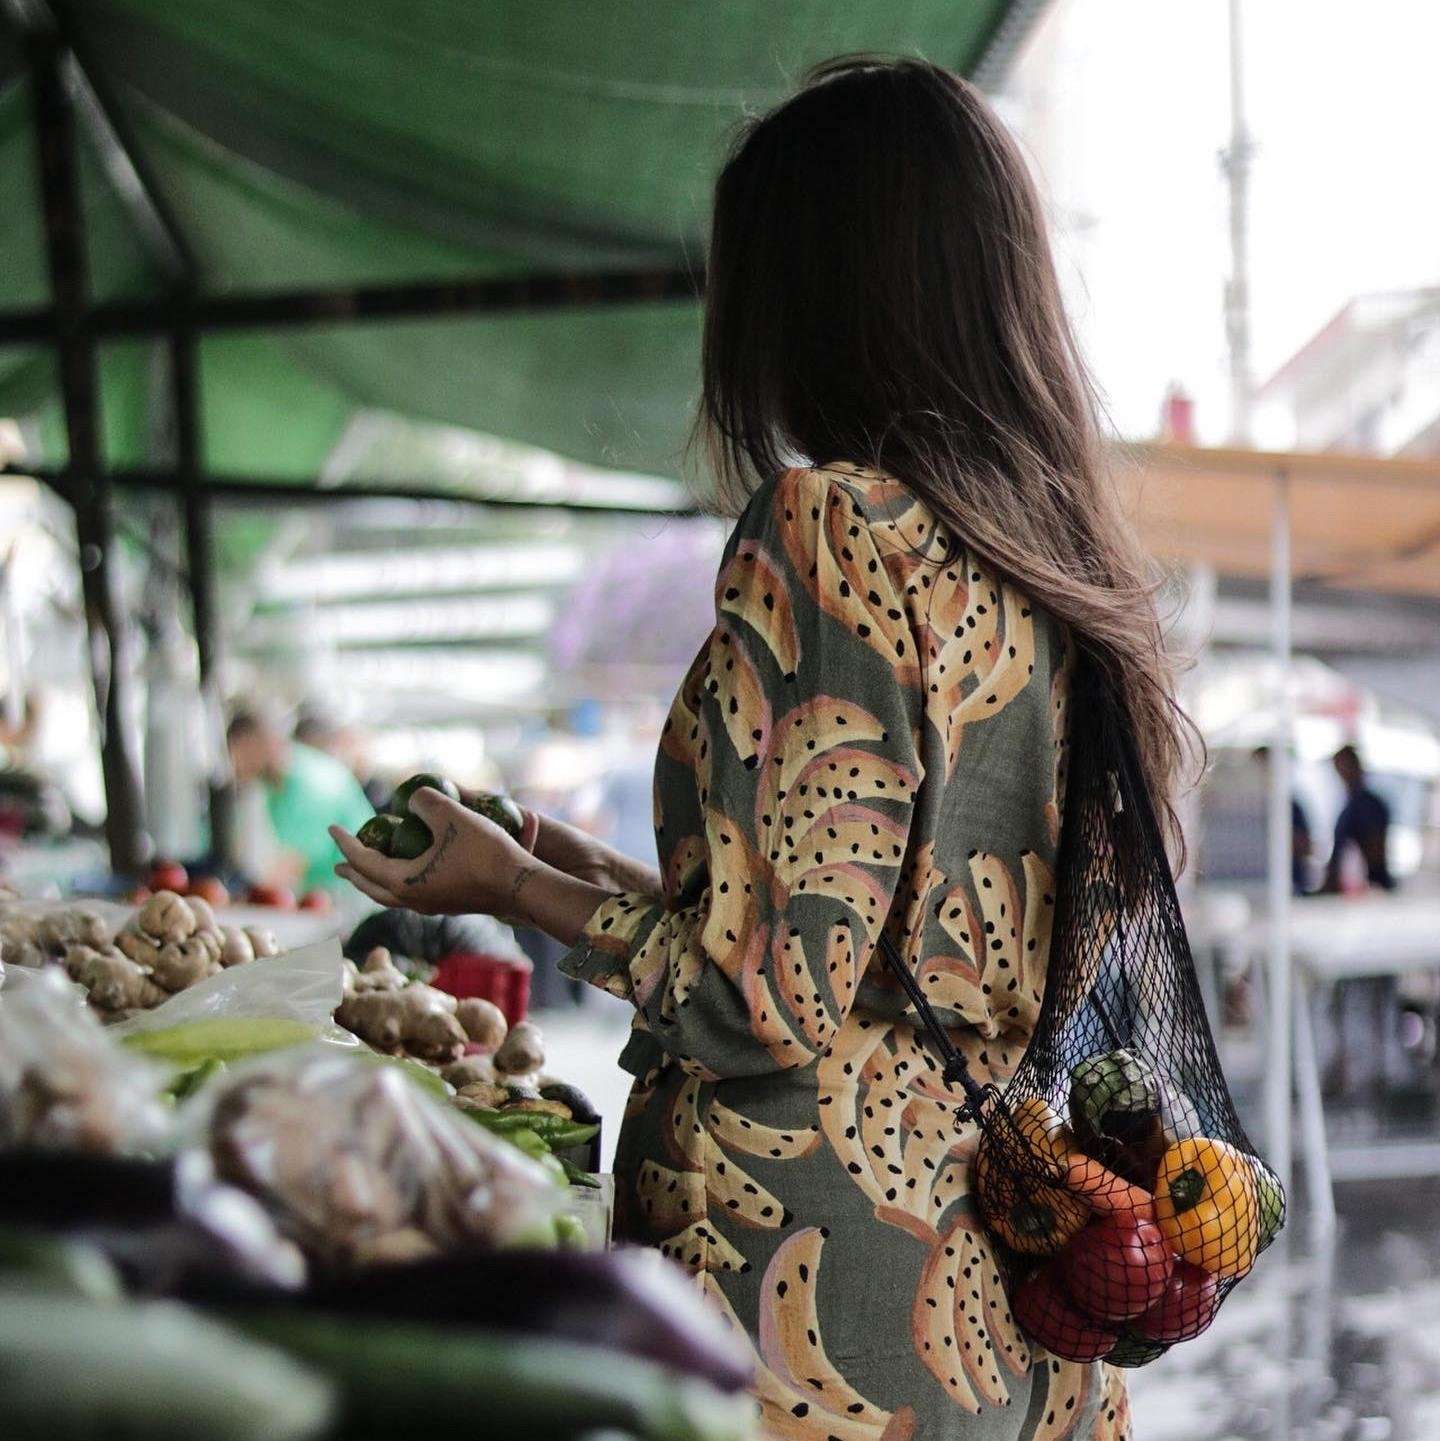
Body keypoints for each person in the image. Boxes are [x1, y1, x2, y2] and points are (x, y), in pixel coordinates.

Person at [333, 58, 1186, 1440]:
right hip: (1003, 1302)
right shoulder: (1054, 566)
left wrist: (512, 892)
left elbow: (762, 996)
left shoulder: (832, 531)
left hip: (815, 1312)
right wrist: (557, 856)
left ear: (814, 288)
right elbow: (868, 942)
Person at [227, 708, 373, 894]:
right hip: (328, 893)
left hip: (353, 895)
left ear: (252, 744)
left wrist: (242, 894)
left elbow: (293, 862)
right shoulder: (276, 785)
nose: (235, 766)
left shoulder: (308, 782)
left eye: (237, 753)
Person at [1320, 743, 1395, 893]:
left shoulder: (1368, 805)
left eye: (1345, 766)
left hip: (1369, 886)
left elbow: (1374, 848)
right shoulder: (1350, 804)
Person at [1251, 745, 1312, 893]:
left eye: (1265, 766)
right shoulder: (1248, 809)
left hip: (1291, 888)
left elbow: (1306, 846)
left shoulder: (1290, 807)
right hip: (1256, 887)